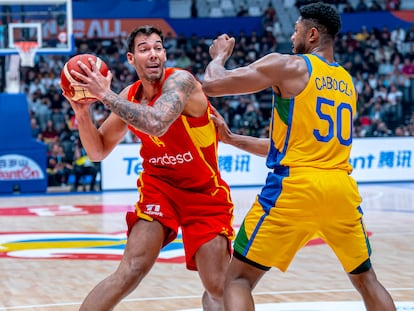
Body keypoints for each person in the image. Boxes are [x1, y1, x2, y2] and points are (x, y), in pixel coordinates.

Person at [202, 2, 396, 311]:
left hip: (295, 188)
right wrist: (231, 139)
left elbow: (212, 85)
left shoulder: (289, 66)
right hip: (341, 189)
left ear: (313, 34)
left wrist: (218, 57)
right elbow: (290, 144)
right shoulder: (347, 83)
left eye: (296, 30)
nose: (293, 36)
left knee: (237, 281)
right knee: (366, 279)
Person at [61, 25, 235, 310]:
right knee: (129, 271)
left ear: (165, 54)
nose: (153, 54)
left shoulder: (182, 81)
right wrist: (82, 113)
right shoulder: (128, 94)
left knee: (216, 285)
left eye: (157, 48)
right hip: (160, 189)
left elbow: (156, 121)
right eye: (144, 49)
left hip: (203, 192)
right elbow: (97, 151)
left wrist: (105, 96)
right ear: (131, 59)